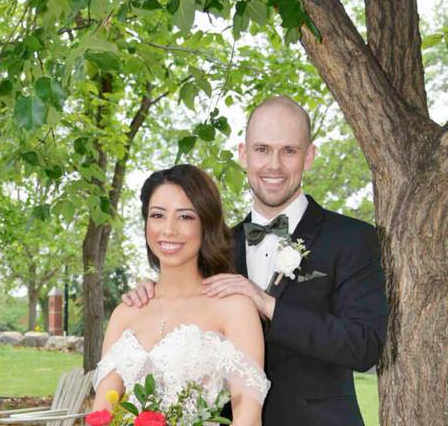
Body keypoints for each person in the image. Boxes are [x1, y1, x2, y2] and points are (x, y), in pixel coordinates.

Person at [124, 96, 388, 426]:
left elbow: (363, 347)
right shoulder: (215, 248)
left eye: (288, 151)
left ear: (309, 157)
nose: (273, 165)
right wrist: (147, 295)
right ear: (243, 154)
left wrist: (267, 304)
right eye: (262, 149)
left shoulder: (351, 238)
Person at [91, 164, 269, 426]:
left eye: (185, 217)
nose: (168, 229)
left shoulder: (233, 308)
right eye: (158, 215)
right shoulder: (126, 312)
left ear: (206, 223)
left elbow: (248, 412)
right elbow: (102, 411)